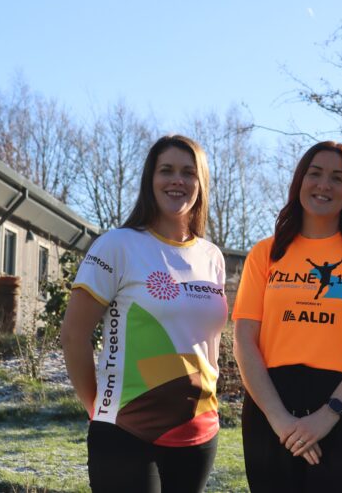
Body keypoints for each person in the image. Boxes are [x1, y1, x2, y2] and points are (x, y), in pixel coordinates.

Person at [232, 141, 342, 493]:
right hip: (271, 408)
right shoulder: (265, 253)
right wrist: (280, 421)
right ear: (300, 182)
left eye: (337, 178)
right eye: (316, 174)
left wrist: (327, 416)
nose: (324, 185)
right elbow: (244, 341)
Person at [61, 135, 228, 493]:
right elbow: (74, 335)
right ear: (149, 180)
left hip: (199, 431)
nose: (177, 180)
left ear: (201, 183)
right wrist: (98, 408)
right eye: (165, 170)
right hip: (126, 430)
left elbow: (209, 343)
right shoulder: (117, 245)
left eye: (188, 172)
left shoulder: (212, 257)